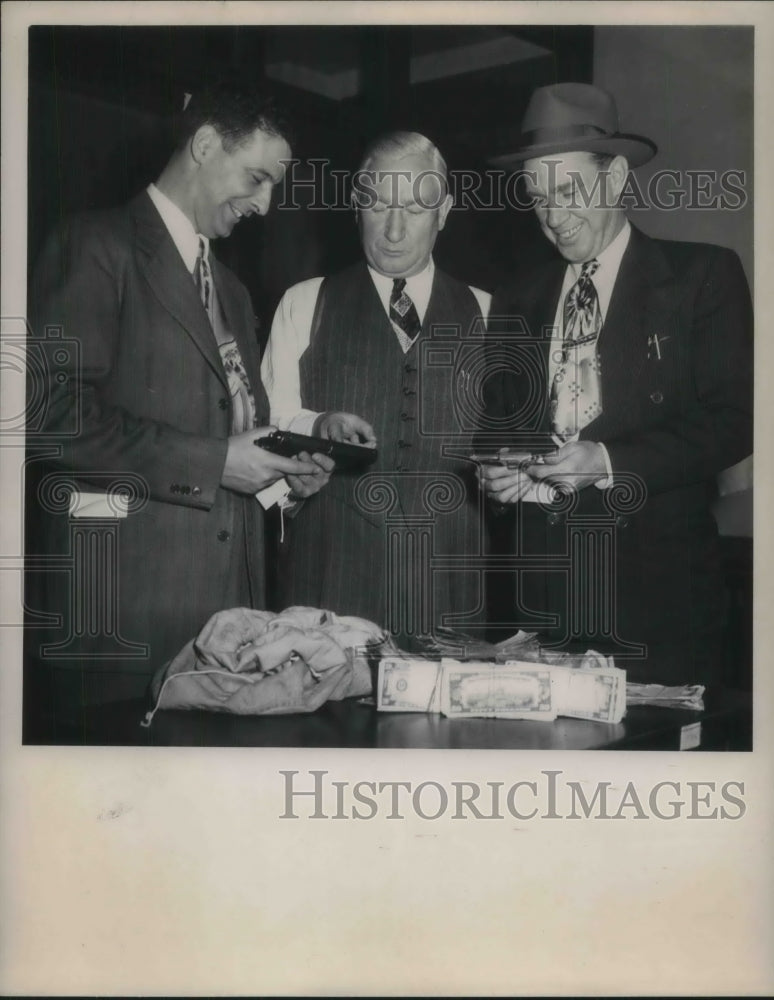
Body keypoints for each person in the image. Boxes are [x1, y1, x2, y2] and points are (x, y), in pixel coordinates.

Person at [25, 78, 333, 714]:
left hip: (230, 629)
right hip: (124, 625)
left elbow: (236, 433)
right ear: (204, 145)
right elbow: (49, 418)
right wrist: (218, 461)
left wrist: (282, 482)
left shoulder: (236, 291)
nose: (266, 204)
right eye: (256, 178)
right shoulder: (94, 246)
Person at [478, 82, 753, 684]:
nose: (552, 214)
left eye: (569, 188)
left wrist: (606, 459)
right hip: (543, 614)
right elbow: (499, 426)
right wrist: (497, 473)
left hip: (658, 612)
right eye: (536, 194)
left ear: (618, 177)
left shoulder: (701, 277)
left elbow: (735, 420)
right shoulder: (516, 298)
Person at [261, 131, 491, 645]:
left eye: (413, 208)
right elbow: (267, 430)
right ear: (354, 204)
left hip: (451, 587)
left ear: (444, 212)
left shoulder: (492, 313)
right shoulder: (303, 303)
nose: (392, 229)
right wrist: (315, 429)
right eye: (377, 204)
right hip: (328, 583)